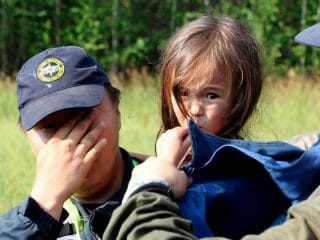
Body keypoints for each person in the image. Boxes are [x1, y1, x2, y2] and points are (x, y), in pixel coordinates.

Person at [102, 20, 320, 240]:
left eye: (211, 96)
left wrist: (153, 183)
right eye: (184, 93)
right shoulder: (144, 162)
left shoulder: (251, 176)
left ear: (241, 99)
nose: (194, 109)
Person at [0, 46, 140, 239]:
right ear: (27, 136)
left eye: (82, 116)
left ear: (117, 112)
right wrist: (43, 207)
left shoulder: (171, 190)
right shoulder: (18, 226)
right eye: (49, 126)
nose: (70, 142)